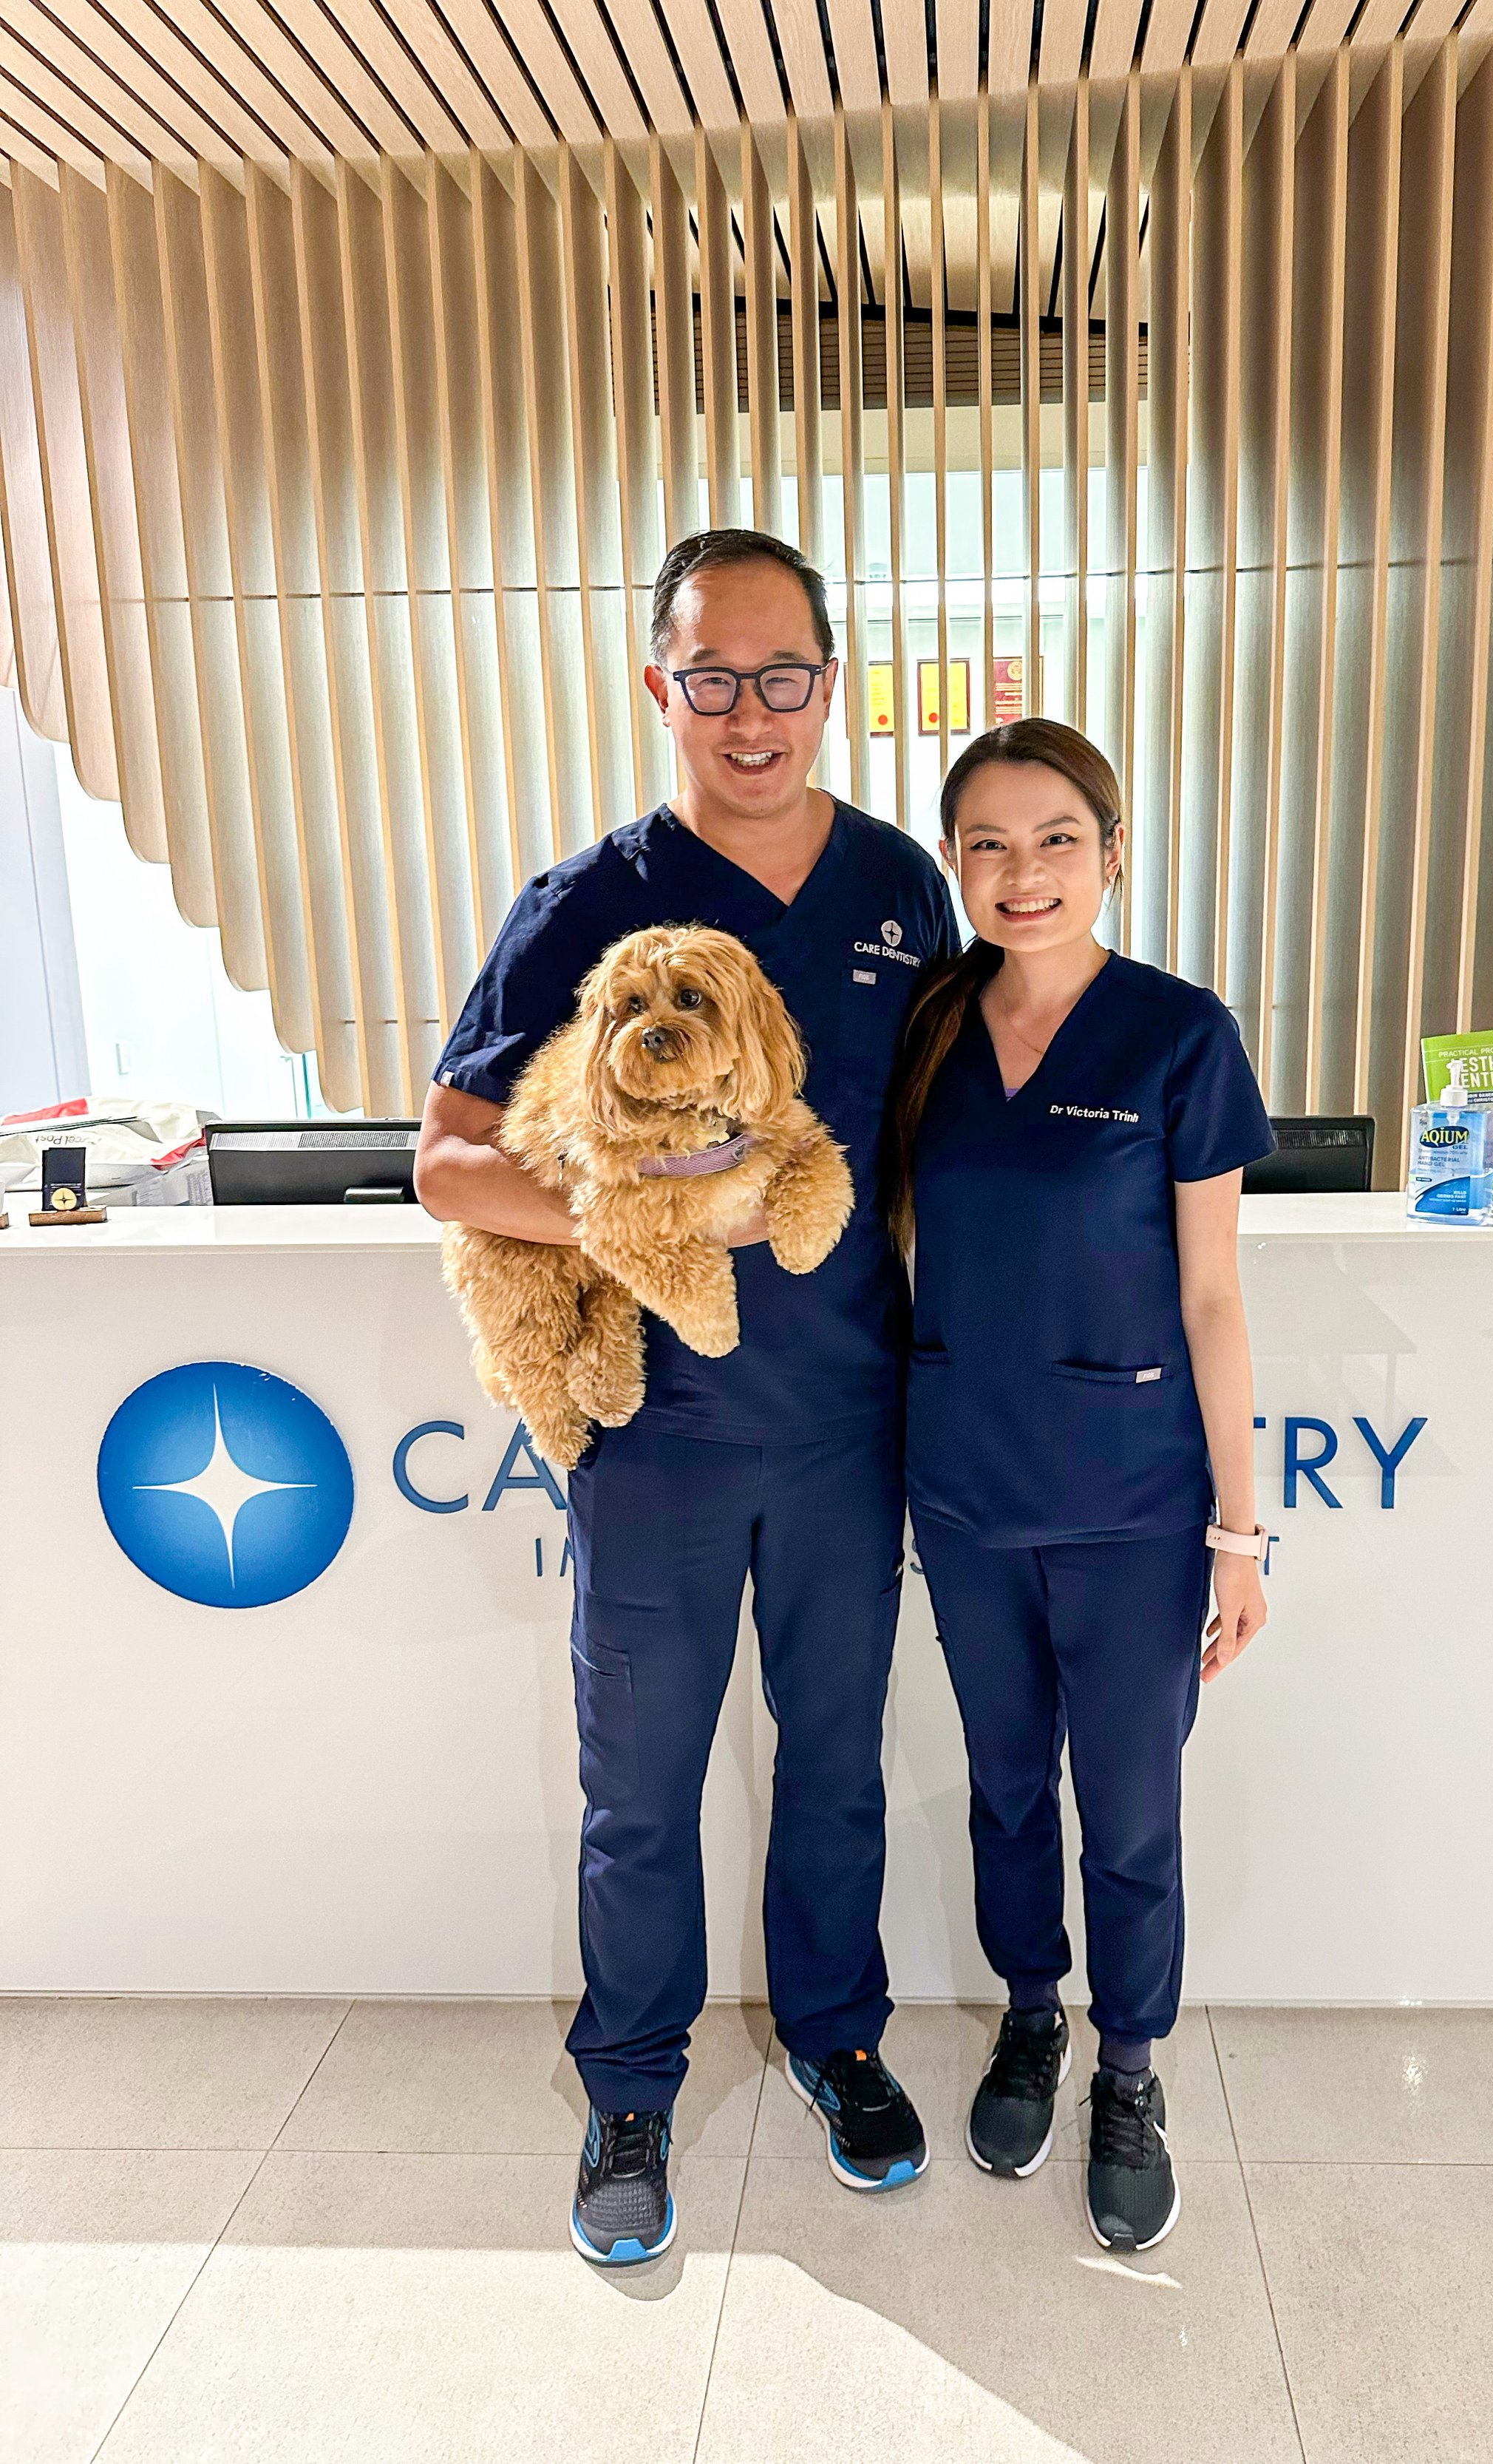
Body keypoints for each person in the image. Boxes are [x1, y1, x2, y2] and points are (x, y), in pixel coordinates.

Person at [415, 529, 957, 2266]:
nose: (749, 712)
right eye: (709, 675)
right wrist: (651, 1215)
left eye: (780, 674)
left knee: (836, 1762)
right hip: (651, 1434)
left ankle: (836, 2035)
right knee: (638, 1778)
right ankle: (630, 2082)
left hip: (842, 1424)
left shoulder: (899, 890)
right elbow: (445, 1163)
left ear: (829, 684)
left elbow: (935, 1152)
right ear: (660, 686)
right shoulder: (588, 901)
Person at [885, 719, 1275, 2254]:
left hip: (1127, 1498)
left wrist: (1235, 1533)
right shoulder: (924, 1027)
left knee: (1126, 1805)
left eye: (1055, 836)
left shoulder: (1178, 1034)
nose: (1020, 870)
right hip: (963, 1484)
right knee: (998, 1781)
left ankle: (1127, 2064)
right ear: (952, 864)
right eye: (984, 841)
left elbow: (1212, 1297)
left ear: (1113, 848)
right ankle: (1031, 2014)